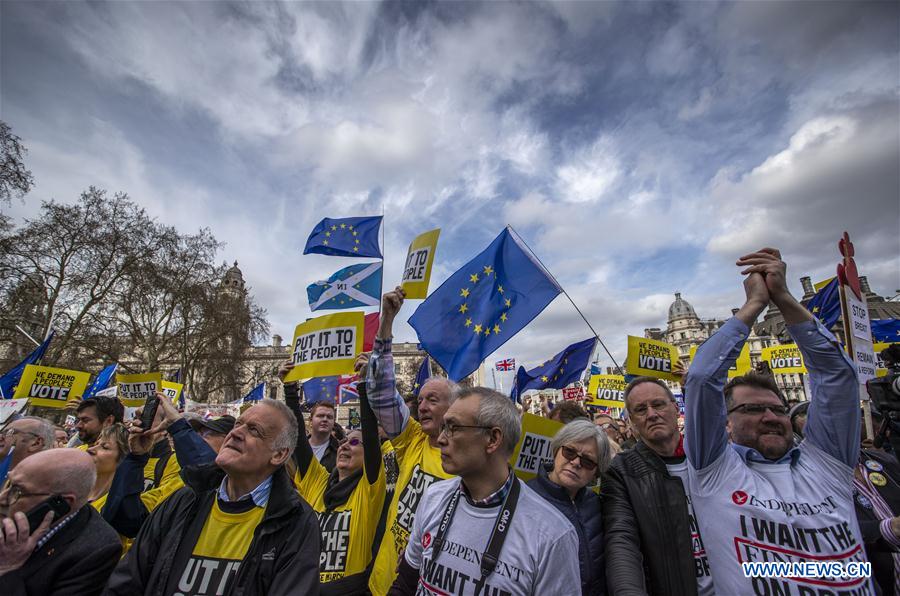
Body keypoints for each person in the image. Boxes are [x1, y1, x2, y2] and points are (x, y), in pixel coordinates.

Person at [685, 247, 873, 594]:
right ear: (725, 423)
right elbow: (700, 379)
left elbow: (837, 377)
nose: (771, 417)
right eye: (752, 410)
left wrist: (783, 299)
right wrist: (752, 307)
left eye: (777, 408)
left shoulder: (827, 466)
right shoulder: (715, 473)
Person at [104, 399, 321, 595]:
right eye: (238, 424)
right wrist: (134, 459)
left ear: (279, 454)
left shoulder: (295, 521)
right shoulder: (183, 501)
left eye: (254, 430)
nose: (236, 433)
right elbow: (128, 580)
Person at [390, 387, 581, 594]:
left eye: (453, 427)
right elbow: (405, 585)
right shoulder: (433, 497)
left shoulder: (553, 535)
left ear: (492, 439)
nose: (442, 439)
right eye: (444, 427)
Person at [365, 287, 459, 595]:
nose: (422, 406)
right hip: (380, 584)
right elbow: (380, 393)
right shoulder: (413, 440)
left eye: (433, 399)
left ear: (454, 408)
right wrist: (387, 322)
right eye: (420, 400)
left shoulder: (469, 467)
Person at [284, 361, 386, 594]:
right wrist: (290, 390)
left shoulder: (369, 490)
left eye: (353, 442)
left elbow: (371, 437)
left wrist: (364, 384)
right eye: (342, 442)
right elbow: (299, 439)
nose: (344, 446)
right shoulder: (317, 481)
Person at [604, 376, 711, 595]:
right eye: (641, 410)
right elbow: (622, 542)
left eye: (658, 404)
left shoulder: (712, 457)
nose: (652, 414)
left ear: (675, 408)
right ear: (632, 421)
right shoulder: (621, 472)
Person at [0, 449, 122, 596]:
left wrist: (8, 569)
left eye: (18, 491)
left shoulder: (97, 549)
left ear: (62, 503)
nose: (2, 498)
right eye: (8, 483)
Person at [528, 419, 611, 595]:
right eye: (569, 452)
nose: (576, 463)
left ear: (596, 471)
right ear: (557, 450)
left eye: (588, 461)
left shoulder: (598, 505)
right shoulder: (525, 498)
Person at [87, 423, 129, 513]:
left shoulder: (116, 506)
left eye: (104, 447)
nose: (90, 449)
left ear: (123, 459)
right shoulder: (77, 491)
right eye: (96, 444)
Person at [0, 417, 54, 484]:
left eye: (10, 432)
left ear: (35, 443)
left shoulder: (43, 486)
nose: (1, 437)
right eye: (1, 432)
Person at [308, 401, 340, 472]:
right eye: (320, 416)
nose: (325, 419)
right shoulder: (296, 447)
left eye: (329, 417)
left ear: (333, 422)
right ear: (310, 421)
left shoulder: (340, 450)